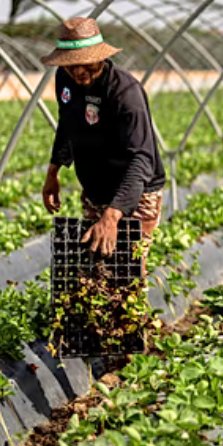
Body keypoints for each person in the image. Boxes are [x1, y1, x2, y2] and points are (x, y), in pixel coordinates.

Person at [41, 17, 166, 263]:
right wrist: (53, 170)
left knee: (125, 268)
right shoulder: (64, 79)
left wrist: (112, 215)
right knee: (93, 266)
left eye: (85, 63)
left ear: (99, 56)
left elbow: (141, 159)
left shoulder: (125, 93)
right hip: (96, 191)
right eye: (71, 64)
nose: (78, 71)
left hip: (136, 193)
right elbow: (67, 122)